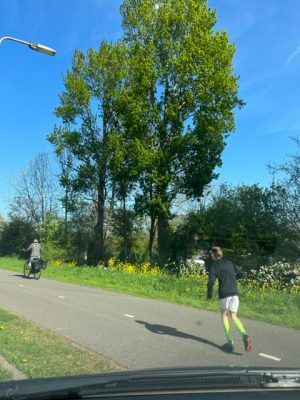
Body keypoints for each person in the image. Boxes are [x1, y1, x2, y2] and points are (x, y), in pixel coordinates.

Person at [207, 246, 252, 352]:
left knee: (224, 315)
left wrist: (209, 294)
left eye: (211, 254)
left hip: (224, 293)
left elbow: (211, 282)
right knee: (234, 315)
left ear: (214, 255)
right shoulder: (229, 263)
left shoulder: (214, 266)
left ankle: (230, 342)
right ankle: (244, 334)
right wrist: (233, 280)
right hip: (234, 293)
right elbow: (241, 273)